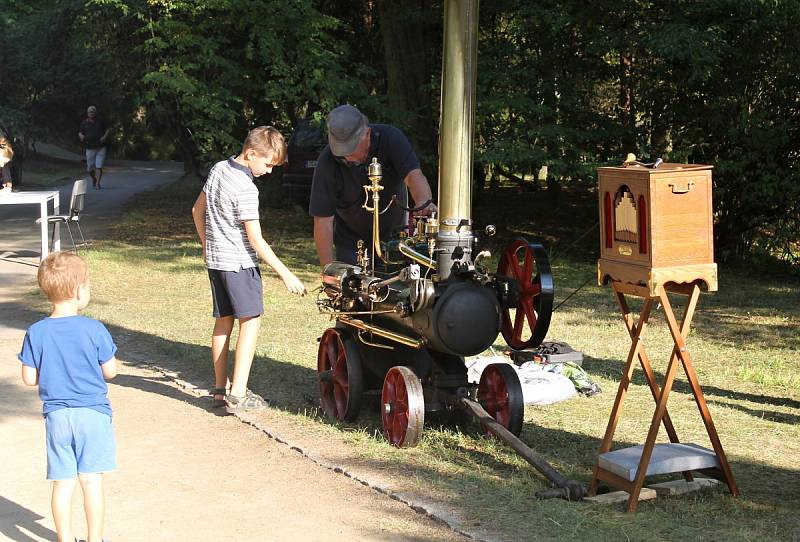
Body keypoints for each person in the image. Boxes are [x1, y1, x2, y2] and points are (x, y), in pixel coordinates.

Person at [192, 125, 307, 414]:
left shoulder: (218, 169)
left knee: (223, 322)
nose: (269, 171)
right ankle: (239, 394)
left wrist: (207, 245)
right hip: (239, 264)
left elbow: (196, 210)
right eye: (267, 164)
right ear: (251, 153)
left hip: (216, 262)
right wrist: (286, 274)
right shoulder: (246, 188)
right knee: (250, 321)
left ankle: (220, 390)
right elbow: (255, 240)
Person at [18, 251, 118, 542]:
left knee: (62, 482)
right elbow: (110, 371)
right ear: (78, 291)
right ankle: (95, 538)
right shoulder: (94, 328)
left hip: (57, 417)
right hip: (93, 414)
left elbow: (28, 378)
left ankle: (64, 538)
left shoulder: (36, 332)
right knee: (91, 481)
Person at [309, 104, 437, 266]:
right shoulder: (327, 162)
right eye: (341, 152)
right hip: (351, 245)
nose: (347, 157)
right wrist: (328, 270)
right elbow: (323, 221)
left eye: (351, 149)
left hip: (394, 240)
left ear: (367, 134)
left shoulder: (391, 139)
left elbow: (413, 175)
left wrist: (423, 202)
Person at [78, 105, 111, 189]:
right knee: (89, 168)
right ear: (87, 113)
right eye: (89, 112)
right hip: (90, 147)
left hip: (101, 147)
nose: (91, 113)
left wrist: (104, 137)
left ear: (95, 112)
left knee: (98, 166)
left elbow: (107, 129)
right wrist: (81, 136)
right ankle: (94, 179)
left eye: (92, 112)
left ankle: (97, 184)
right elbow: (80, 132)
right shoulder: (84, 122)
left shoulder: (101, 121)